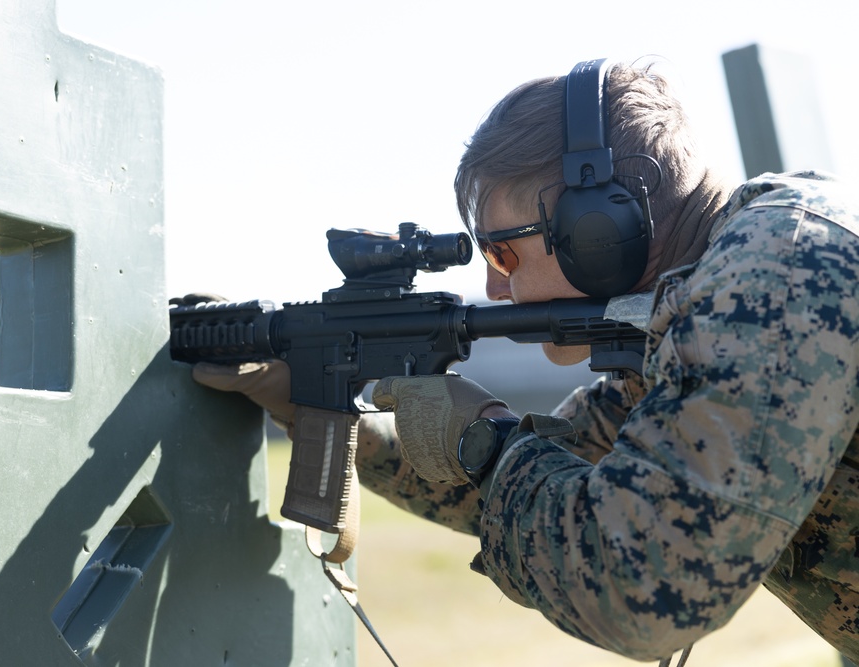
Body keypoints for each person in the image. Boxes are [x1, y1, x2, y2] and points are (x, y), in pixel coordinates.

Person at [192, 57, 859, 664]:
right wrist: (323, 406)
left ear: (600, 234)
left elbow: (644, 587)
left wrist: (483, 440)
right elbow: (553, 472)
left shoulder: (779, 271)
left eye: (502, 254)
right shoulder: (689, 318)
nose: (493, 289)